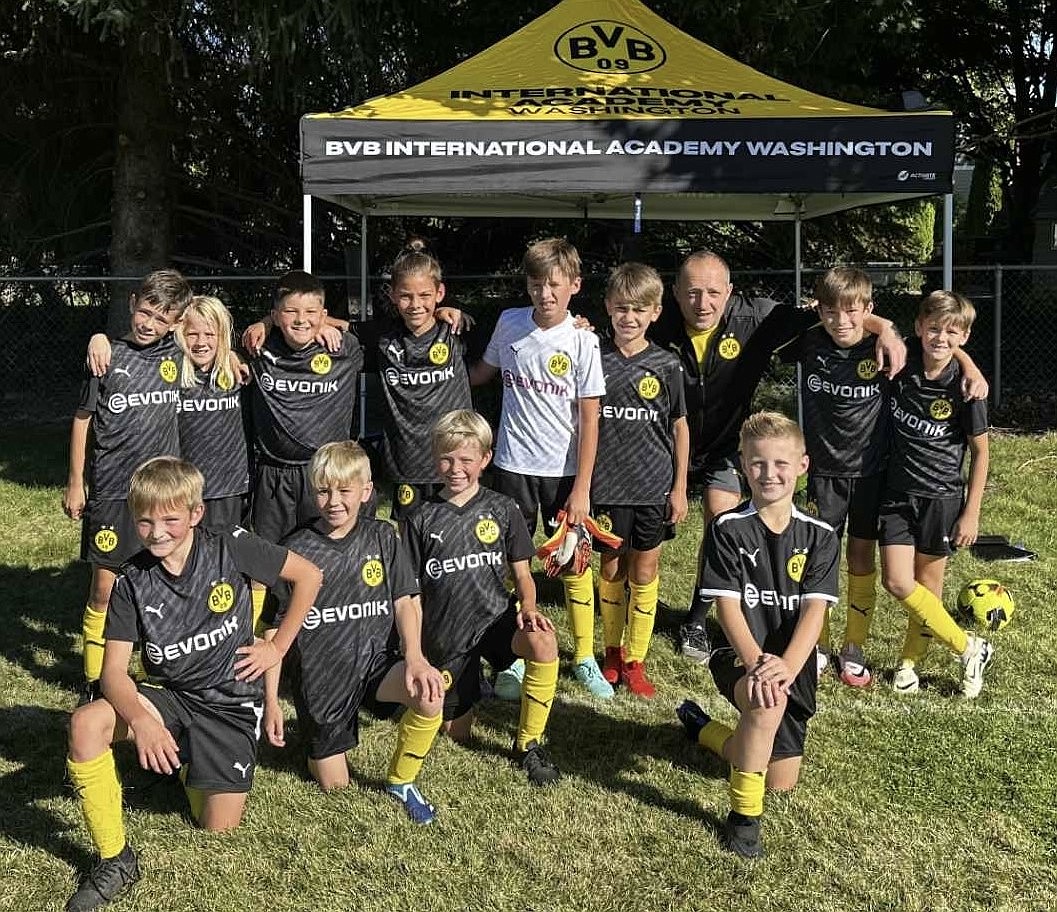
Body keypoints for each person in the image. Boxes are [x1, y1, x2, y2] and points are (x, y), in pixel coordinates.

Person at [64, 457, 321, 912]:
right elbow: (113, 674)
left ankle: (185, 760)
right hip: (174, 698)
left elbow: (309, 576)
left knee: (216, 827)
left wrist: (277, 647)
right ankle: (115, 859)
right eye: (144, 520)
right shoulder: (132, 580)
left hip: (231, 703)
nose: (156, 531)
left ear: (195, 514)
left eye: (170, 519)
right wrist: (142, 719)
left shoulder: (230, 546)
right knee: (86, 724)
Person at [652, 251, 904, 663]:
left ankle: (695, 621)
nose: (703, 303)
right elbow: (616, 327)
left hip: (724, 448)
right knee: (651, 540)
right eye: (693, 292)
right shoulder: (658, 322)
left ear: (729, 293)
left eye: (714, 292)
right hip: (666, 443)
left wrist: (886, 330)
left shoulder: (756, 317)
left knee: (722, 526)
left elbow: (828, 314)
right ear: (675, 292)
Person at [781, 269, 989, 687]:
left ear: (868, 311)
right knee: (816, 561)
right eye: (832, 312)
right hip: (823, 474)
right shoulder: (813, 341)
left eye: (853, 313)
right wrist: (879, 326)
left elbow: (944, 344)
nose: (843, 321)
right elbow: (784, 329)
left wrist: (969, 364)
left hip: (875, 474)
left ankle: (853, 648)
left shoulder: (888, 352)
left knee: (862, 561)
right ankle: (816, 647)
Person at [677, 412, 839, 858]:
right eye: (758, 464)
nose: (770, 474)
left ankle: (704, 729)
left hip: (791, 664)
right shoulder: (727, 529)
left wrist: (786, 664)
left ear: (802, 466)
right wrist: (756, 664)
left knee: (780, 781)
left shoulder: (821, 535)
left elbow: (815, 612)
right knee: (767, 700)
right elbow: (727, 606)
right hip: (739, 655)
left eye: (781, 464)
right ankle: (743, 819)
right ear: (744, 466)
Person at [263, 441, 446, 822]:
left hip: (375, 667)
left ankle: (401, 781)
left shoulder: (383, 537)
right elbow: (271, 634)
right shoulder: (294, 551)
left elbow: (406, 600)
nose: (334, 501)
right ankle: (318, 743)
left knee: (430, 693)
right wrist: (271, 702)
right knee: (337, 789)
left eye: (345, 491)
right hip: (322, 684)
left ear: (365, 492)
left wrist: (414, 656)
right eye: (324, 491)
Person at [468, 237, 610, 698]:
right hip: (511, 464)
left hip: (564, 472)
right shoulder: (509, 323)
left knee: (573, 559)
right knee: (513, 558)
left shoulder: (583, 340)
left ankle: (585, 654)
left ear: (574, 285)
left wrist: (582, 487)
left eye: (554, 285)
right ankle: (514, 653)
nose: (544, 294)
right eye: (535, 284)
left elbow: (590, 418)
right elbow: (480, 375)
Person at [403, 410, 562, 785]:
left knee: (543, 641)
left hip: (495, 621)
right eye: (446, 458)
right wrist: (415, 650)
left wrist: (529, 608)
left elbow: (522, 574)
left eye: (465, 460)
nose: (455, 468)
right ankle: (468, 686)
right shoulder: (419, 517)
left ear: (485, 460)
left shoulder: (503, 509)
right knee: (456, 735)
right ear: (434, 457)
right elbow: (409, 593)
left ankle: (529, 745)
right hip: (446, 637)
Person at [64, 269, 191, 704]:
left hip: (162, 497)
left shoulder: (179, 354)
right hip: (113, 494)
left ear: (175, 323)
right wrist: (76, 481)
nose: (149, 324)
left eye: (161, 318)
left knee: (164, 581)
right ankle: (94, 681)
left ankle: (165, 672)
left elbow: (215, 334)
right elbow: (82, 420)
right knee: (105, 587)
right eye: (145, 312)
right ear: (133, 303)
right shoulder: (107, 356)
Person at [879, 291, 992, 698]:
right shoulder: (902, 359)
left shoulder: (967, 390)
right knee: (897, 580)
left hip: (942, 499)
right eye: (933, 329)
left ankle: (909, 663)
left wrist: (971, 511)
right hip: (896, 494)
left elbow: (981, 453)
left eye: (951, 332)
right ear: (918, 329)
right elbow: (874, 326)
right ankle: (969, 646)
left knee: (928, 588)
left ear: (964, 336)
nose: (940, 338)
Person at [591, 263, 689, 697]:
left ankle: (636, 659)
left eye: (638, 310)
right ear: (608, 308)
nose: (628, 317)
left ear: (654, 312)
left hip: (652, 485)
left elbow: (680, 425)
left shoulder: (666, 364)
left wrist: (680, 486)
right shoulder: (594, 356)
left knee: (645, 569)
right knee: (611, 567)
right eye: (621, 308)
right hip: (607, 486)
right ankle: (611, 651)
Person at [245, 270, 363, 624]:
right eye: (291, 312)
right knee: (267, 560)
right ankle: (260, 634)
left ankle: (332, 623)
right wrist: (263, 323)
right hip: (274, 473)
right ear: (277, 315)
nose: (301, 320)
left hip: (326, 475)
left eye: (311, 313)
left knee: (331, 552)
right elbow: (200, 335)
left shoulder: (346, 348)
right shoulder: (257, 346)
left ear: (324, 315)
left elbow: (397, 330)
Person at [372, 248, 473, 522]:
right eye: (405, 296)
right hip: (406, 463)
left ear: (439, 294)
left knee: (455, 539)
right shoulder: (382, 337)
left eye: (425, 295)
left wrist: (579, 325)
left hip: (455, 460)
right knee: (410, 544)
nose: (415, 304)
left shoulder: (458, 329)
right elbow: (327, 324)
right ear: (392, 295)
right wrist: (270, 320)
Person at [175, 295, 251, 532]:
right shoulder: (169, 373)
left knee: (226, 555)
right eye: (192, 334)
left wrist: (232, 355)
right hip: (183, 485)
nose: (201, 342)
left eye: (209, 335)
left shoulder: (239, 372)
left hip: (229, 486)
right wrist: (98, 339)